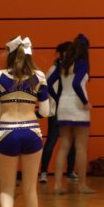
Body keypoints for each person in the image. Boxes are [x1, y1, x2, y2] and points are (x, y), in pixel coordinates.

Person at [0, 36, 50, 207]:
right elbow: (46, 111)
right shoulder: (39, 77)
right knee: (30, 189)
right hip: (31, 131)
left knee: (7, 188)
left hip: (7, 131)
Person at [50, 34, 93, 194]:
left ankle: (57, 185)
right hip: (77, 107)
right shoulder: (82, 63)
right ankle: (82, 185)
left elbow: (48, 84)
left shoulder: (63, 63)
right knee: (81, 147)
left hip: (63, 106)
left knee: (64, 147)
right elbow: (76, 84)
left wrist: (58, 99)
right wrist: (85, 102)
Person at [39, 41, 75, 184]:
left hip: (70, 109)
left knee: (72, 141)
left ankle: (70, 171)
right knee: (52, 141)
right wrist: (57, 100)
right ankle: (43, 172)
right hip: (56, 111)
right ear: (62, 53)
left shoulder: (73, 69)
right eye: (67, 51)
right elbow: (47, 88)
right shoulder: (54, 69)